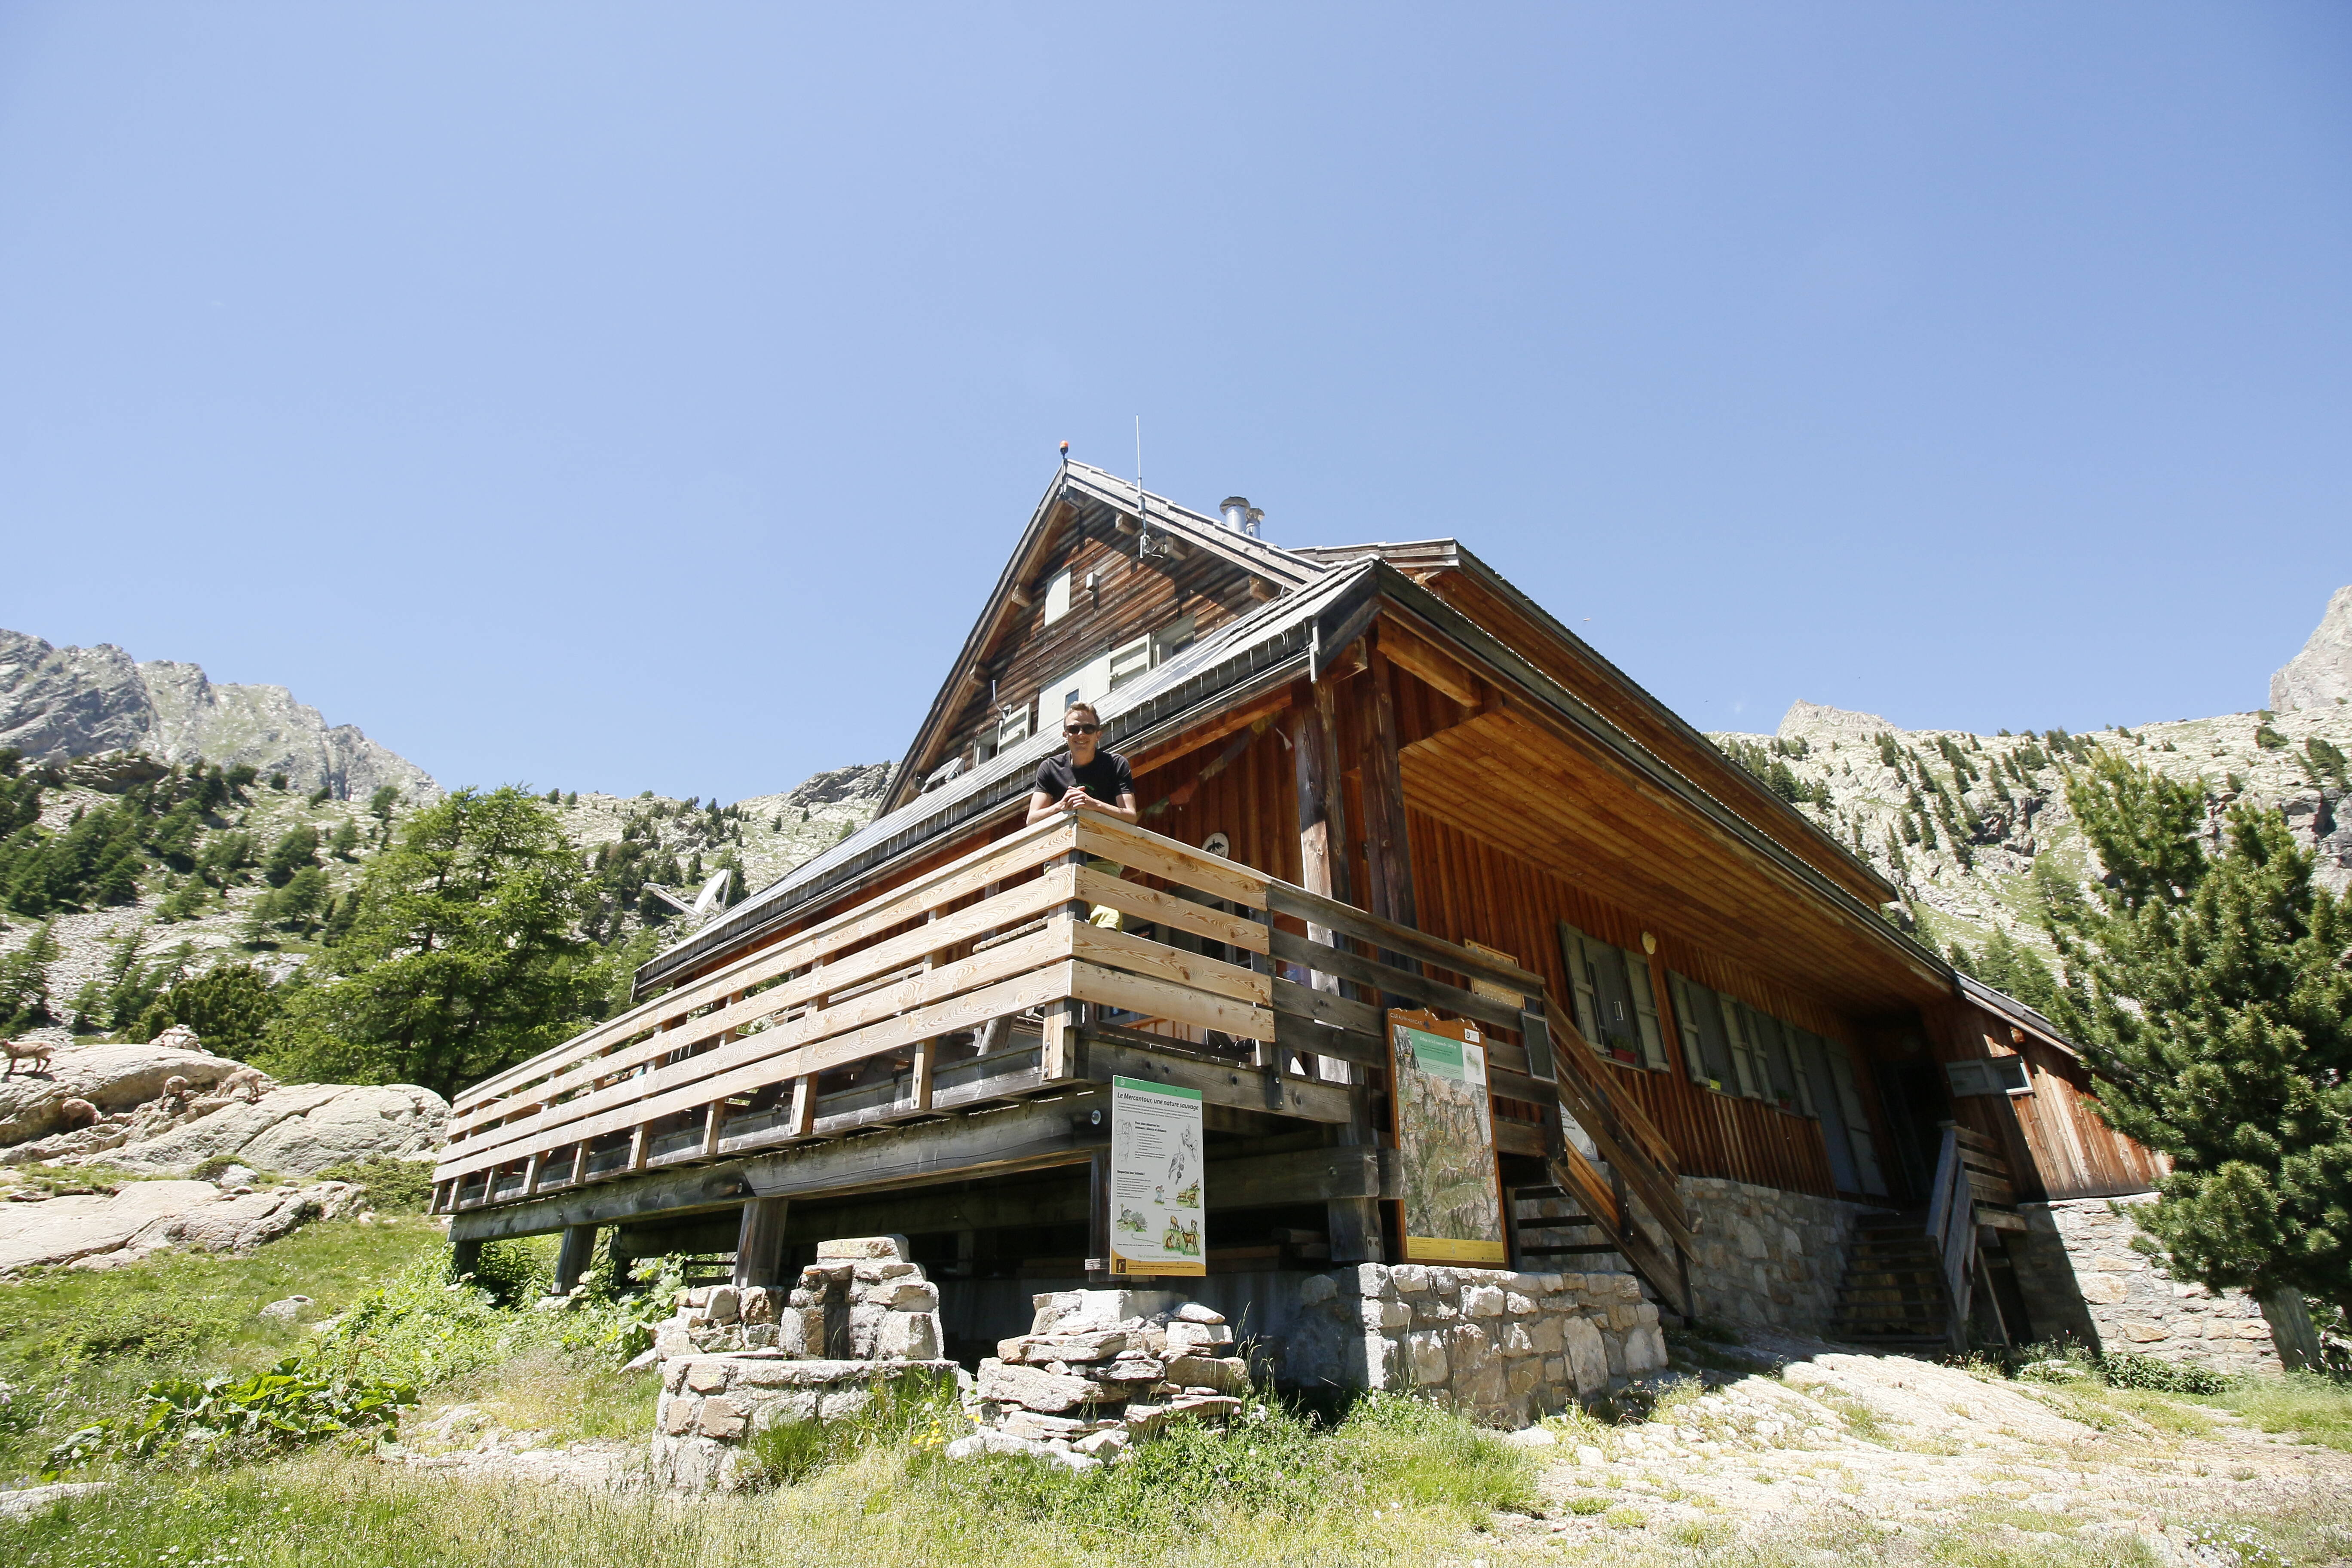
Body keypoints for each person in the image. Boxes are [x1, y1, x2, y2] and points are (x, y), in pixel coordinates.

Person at [1028, 700, 1139, 929]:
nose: (1081, 734)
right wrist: (1062, 806)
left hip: (1104, 853)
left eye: (1088, 729)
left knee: (1108, 919)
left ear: (1099, 734)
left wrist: (1092, 804)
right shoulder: (1050, 768)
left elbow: (1130, 816)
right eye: (1074, 729)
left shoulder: (1116, 765)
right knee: (1061, 922)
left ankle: (1102, 958)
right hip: (1062, 855)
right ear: (1065, 734)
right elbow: (1032, 819)